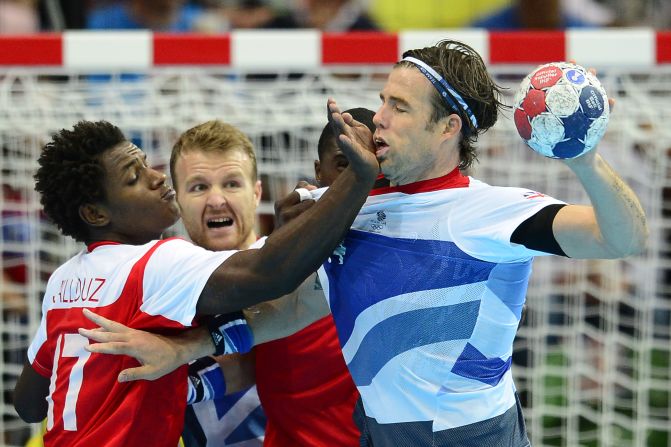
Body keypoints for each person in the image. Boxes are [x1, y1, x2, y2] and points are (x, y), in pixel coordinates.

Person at [78, 39, 649, 446]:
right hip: (375, 430)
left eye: (399, 108)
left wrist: (585, 162)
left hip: (470, 436)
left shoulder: (490, 212)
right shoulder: (359, 210)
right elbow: (302, 305)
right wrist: (189, 348)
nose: (377, 119)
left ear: (447, 127)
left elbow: (621, 239)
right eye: (383, 101)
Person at [12, 114, 378, 447]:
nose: (155, 176)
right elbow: (273, 274)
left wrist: (184, 370)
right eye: (198, 187)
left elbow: (28, 404)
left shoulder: (64, 281)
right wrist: (358, 178)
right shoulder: (162, 265)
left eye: (231, 183)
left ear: (257, 193)